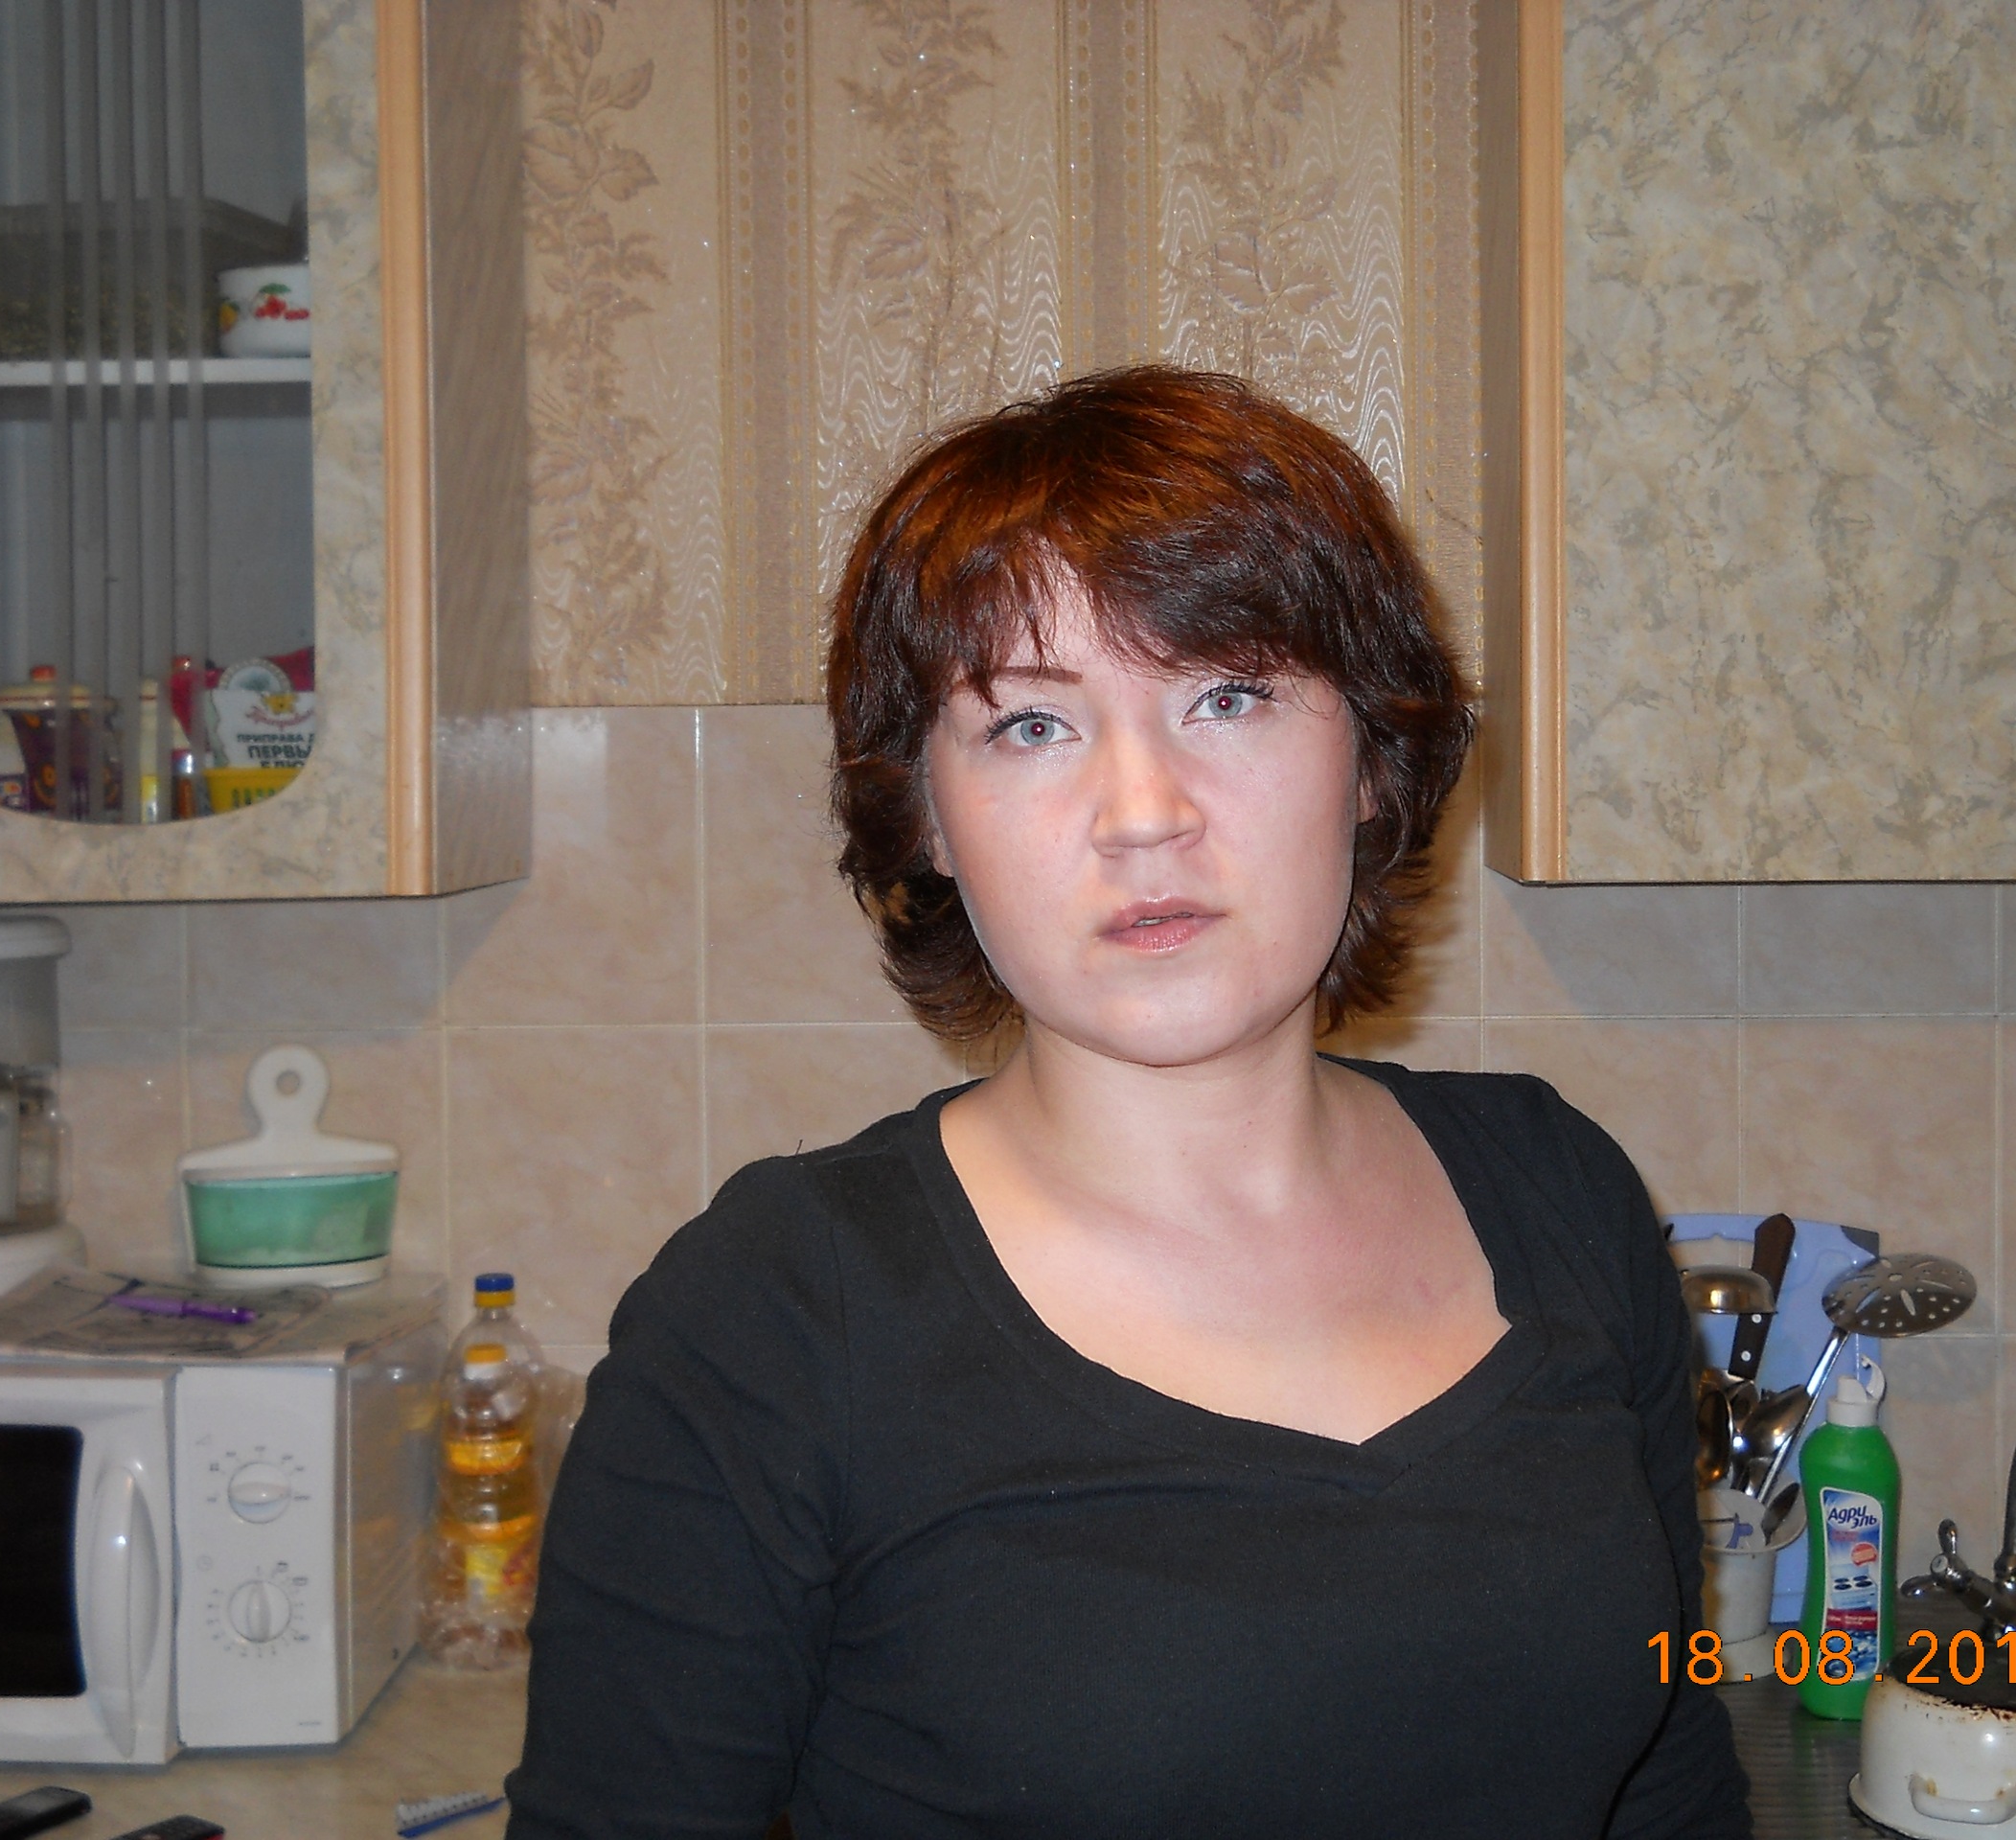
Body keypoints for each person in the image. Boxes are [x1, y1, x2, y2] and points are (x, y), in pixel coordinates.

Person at [505, 367, 1752, 1840]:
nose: (1145, 813)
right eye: (1031, 727)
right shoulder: (772, 1317)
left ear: (1371, 762)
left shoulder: (1561, 1193)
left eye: (1229, 697)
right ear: (928, 818)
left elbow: (1668, 1770)